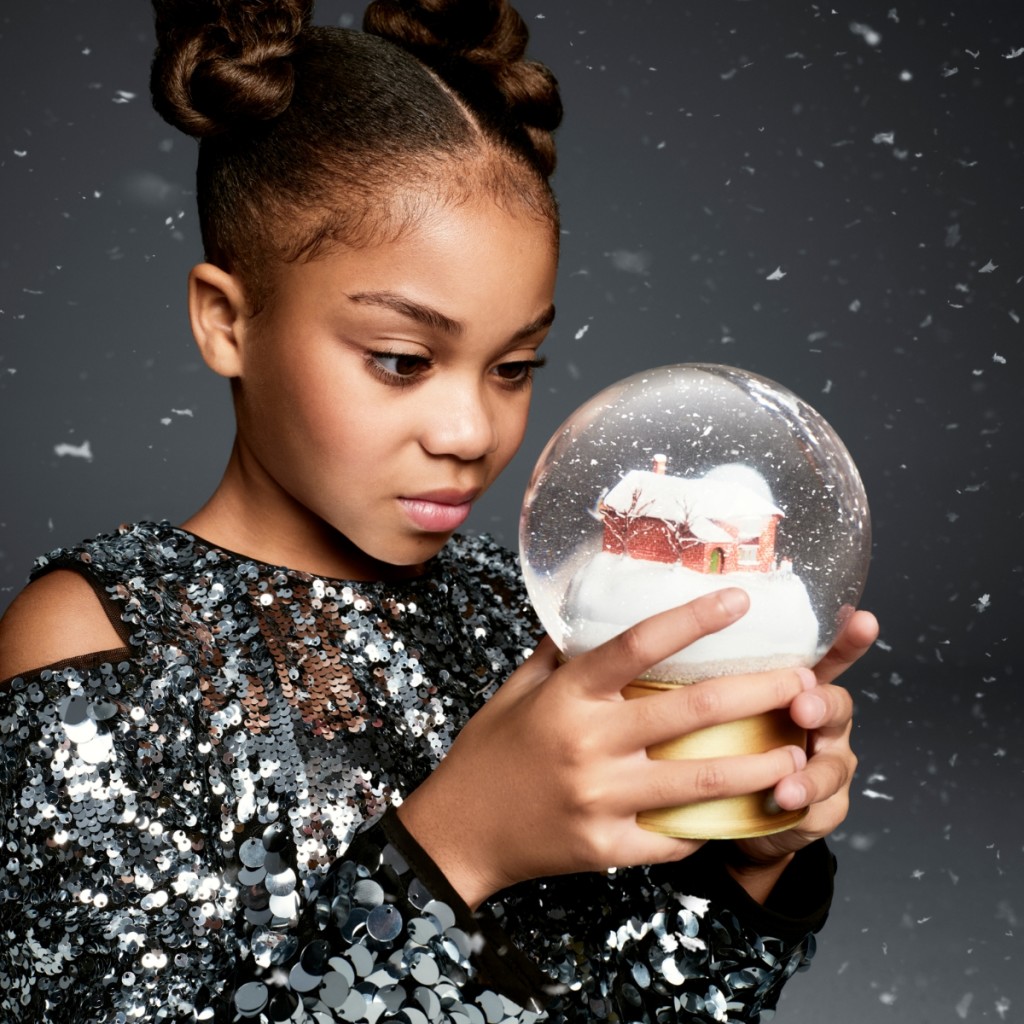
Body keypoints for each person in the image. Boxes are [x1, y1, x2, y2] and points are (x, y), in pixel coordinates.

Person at [0, 1, 878, 1021]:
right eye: (402, 360)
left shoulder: (530, 617)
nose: (469, 429)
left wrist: (752, 860)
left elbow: (650, 1003)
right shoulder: (98, 638)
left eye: (513, 366)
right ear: (226, 320)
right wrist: (461, 848)